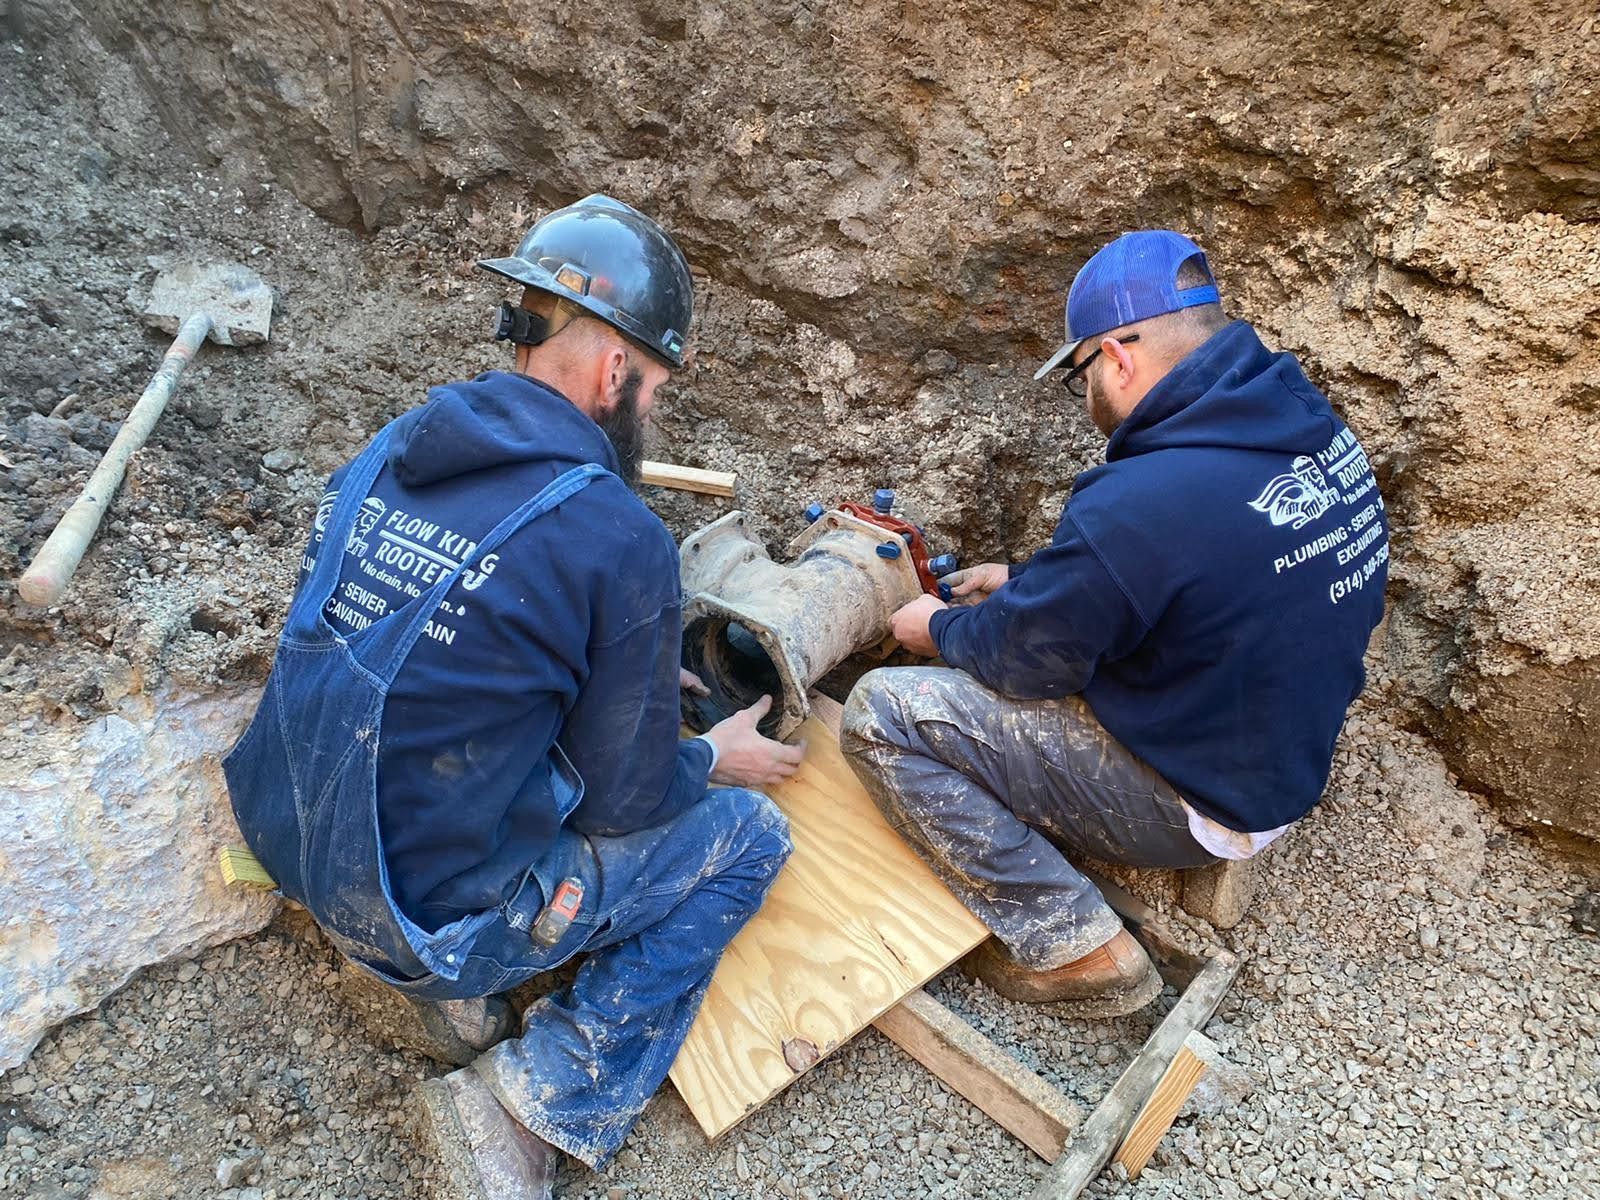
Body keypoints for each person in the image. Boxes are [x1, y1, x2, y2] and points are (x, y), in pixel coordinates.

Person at [223, 194, 804, 1199]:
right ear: (616, 370)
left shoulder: (391, 448)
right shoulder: (615, 534)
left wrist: (616, 676)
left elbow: (459, 653)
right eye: (657, 389)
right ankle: (539, 1098)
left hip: (288, 838)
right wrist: (714, 755)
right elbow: (625, 803)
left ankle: (437, 992)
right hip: (426, 919)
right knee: (750, 837)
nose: (651, 414)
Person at [841, 230, 1389, 1015]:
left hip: (1200, 798)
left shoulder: (1141, 500)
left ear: (1118, 358)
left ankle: (1078, 949)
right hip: (1278, 751)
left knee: (882, 715)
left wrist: (939, 629)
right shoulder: (1306, 425)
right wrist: (1027, 583)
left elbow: (1026, 662)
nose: (1088, 393)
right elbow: (1202, 567)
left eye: (1081, 373)